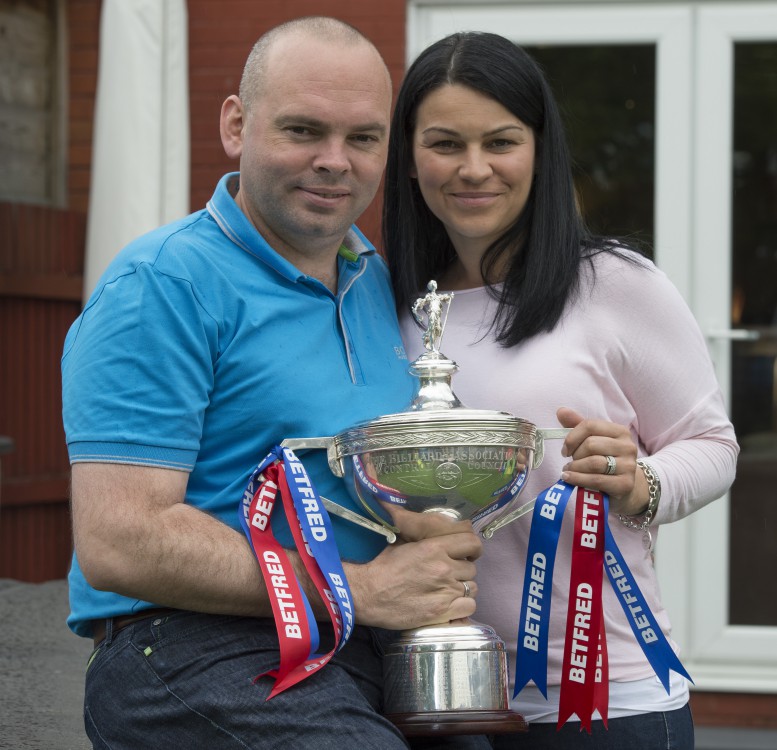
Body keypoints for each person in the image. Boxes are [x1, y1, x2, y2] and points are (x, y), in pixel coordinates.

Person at [62, 17, 490, 750]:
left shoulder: (376, 285)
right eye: (302, 130)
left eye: (362, 138)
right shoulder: (161, 285)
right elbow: (121, 541)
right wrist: (361, 589)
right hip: (189, 645)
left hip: (354, 640)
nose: (335, 161)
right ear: (235, 124)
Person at [383, 31, 739, 750]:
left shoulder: (612, 284)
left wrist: (639, 481)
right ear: (409, 158)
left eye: (501, 141)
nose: (474, 168)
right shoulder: (384, 304)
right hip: (431, 698)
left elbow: (712, 445)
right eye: (445, 143)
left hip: (604, 704)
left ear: (539, 150)